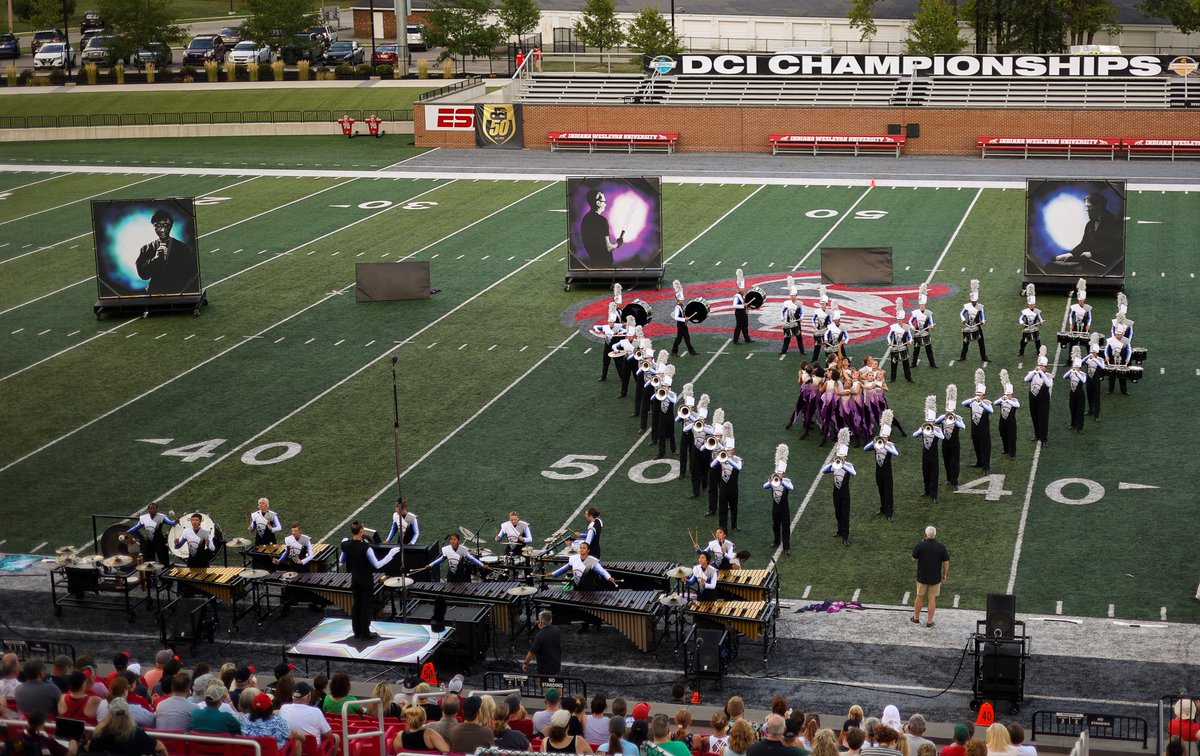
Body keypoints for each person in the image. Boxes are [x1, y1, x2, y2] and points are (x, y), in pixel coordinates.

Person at [339, 519, 399, 639]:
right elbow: (377, 565)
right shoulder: (366, 547)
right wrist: (390, 555)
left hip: (354, 579)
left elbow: (342, 560)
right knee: (366, 606)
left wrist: (345, 545)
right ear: (361, 531)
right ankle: (365, 632)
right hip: (365, 580)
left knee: (357, 605)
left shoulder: (345, 545)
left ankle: (356, 631)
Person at [1053, 191, 1123, 273]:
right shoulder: (1090, 224)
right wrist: (1071, 254)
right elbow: (1084, 244)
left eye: (1088, 206)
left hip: (1109, 269)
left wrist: (1093, 254)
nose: (1086, 210)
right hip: (1089, 268)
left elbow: (1116, 248)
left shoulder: (1116, 222)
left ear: (1099, 206)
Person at [136, 209, 197, 294]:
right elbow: (143, 275)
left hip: (176, 293)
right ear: (153, 227)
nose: (162, 230)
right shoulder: (146, 248)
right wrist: (155, 259)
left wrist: (181, 291)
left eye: (166, 225)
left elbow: (191, 273)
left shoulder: (181, 248)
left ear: (171, 226)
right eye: (158, 226)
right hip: (154, 294)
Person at [89, 698, 168, 756]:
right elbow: (160, 746)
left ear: (109, 713)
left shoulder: (99, 733)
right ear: (128, 714)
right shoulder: (136, 733)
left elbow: (91, 750)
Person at [820, 429, 856, 547]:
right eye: (839, 456)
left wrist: (844, 464)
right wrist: (832, 463)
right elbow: (823, 471)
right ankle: (840, 530)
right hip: (836, 493)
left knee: (845, 515)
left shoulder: (848, 466)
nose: (840, 458)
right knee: (837, 513)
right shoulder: (834, 466)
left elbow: (853, 473)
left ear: (845, 457)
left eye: (842, 457)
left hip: (845, 495)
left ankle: (845, 536)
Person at [911, 526, 950, 628]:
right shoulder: (941, 547)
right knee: (932, 598)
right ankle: (929, 622)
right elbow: (946, 562)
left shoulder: (921, 545)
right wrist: (944, 574)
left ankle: (916, 618)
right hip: (935, 578)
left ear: (925, 534)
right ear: (935, 534)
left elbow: (913, 557)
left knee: (919, 597)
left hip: (922, 576)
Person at [865, 410, 899, 523]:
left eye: (885, 437)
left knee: (888, 492)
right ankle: (883, 509)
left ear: (888, 437)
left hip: (887, 473)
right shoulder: (876, 444)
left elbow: (896, 454)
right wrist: (875, 441)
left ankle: (889, 513)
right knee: (881, 490)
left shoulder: (891, 445)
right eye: (882, 437)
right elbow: (866, 448)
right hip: (878, 472)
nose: (882, 439)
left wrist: (886, 444)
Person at [578, 190, 623, 269]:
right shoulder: (602, 221)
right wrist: (618, 244)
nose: (605, 204)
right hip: (605, 265)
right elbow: (608, 248)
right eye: (604, 201)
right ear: (598, 203)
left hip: (594, 263)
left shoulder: (585, 219)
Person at [711, 425, 744, 532]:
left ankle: (734, 525)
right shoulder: (721, 457)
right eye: (726, 450)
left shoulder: (738, 460)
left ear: (733, 451)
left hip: (733, 488)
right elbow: (712, 465)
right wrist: (720, 457)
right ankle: (723, 526)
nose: (728, 452)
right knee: (723, 508)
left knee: (734, 507)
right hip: (724, 488)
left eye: (729, 450)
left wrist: (728, 459)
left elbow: (738, 467)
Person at [764, 444, 794, 554]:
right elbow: (764, 486)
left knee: (785, 527)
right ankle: (776, 541)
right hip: (775, 507)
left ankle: (786, 547)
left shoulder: (787, 481)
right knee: (775, 525)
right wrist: (771, 480)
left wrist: (781, 481)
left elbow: (791, 487)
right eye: (777, 473)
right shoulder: (772, 480)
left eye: (780, 473)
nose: (778, 475)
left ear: (783, 473)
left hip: (784, 508)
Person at [962, 370, 993, 473]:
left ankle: (986, 467)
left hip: (984, 430)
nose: (978, 396)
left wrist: (981, 403)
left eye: (980, 395)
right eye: (977, 394)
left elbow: (991, 411)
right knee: (976, 445)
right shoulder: (972, 403)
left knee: (985, 447)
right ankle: (979, 462)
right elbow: (963, 403)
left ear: (984, 395)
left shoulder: (987, 403)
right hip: (974, 429)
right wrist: (973, 399)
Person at [937, 384, 965, 491]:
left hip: (954, 444)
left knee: (954, 462)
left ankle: (955, 481)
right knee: (947, 461)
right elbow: (935, 422)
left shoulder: (958, 418)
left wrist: (956, 419)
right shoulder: (943, 417)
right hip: (945, 443)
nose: (950, 413)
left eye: (951, 411)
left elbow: (963, 426)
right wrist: (943, 417)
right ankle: (949, 478)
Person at [1024, 347, 1053, 446]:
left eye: (1042, 366)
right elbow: (1026, 379)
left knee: (1043, 418)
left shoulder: (1048, 376)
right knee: (1034, 416)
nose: (1040, 367)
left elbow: (1049, 384)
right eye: (1039, 365)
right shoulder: (1033, 374)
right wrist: (1034, 371)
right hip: (1033, 398)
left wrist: (1041, 373)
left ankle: (1044, 439)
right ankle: (1037, 435)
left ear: (1046, 367)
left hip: (1043, 400)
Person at [522, 610, 562, 675]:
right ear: (550, 620)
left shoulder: (540, 635)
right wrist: (541, 624)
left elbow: (532, 652)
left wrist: (525, 663)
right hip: (556, 666)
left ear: (541, 622)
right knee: (556, 683)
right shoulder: (556, 629)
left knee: (544, 684)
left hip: (545, 670)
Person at [958, 280, 989, 363]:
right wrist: (963, 320)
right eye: (973, 301)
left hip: (977, 326)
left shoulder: (980, 307)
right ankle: (962, 356)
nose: (974, 302)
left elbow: (983, 315)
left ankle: (984, 357)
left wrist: (982, 321)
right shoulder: (967, 306)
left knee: (981, 342)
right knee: (966, 341)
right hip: (968, 325)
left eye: (975, 301)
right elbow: (961, 313)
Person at [908, 284, 937, 369]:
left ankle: (932, 363)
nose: (922, 306)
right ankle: (913, 363)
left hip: (926, 332)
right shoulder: (915, 313)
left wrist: (931, 325)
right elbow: (910, 321)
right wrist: (912, 327)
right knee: (916, 349)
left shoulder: (928, 312)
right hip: (917, 332)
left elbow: (931, 321)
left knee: (928, 349)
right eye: (921, 305)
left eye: (923, 305)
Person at [994, 370, 1020, 461]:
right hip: (1002, 420)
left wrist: (1008, 400)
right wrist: (1002, 398)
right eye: (1006, 394)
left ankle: (1012, 453)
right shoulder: (1003, 399)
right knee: (1003, 434)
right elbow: (995, 403)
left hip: (1011, 422)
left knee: (1012, 437)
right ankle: (1006, 449)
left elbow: (1017, 405)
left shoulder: (1014, 400)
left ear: (1012, 395)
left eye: (1009, 394)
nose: (1007, 396)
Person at [1062, 346, 1088, 433]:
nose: (1076, 368)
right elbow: (1064, 376)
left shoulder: (1082, 374)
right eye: (1075, 367)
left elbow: (1083, 380)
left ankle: (1080, 428)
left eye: (1077, 367)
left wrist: (1077, 372)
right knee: (1072, 409)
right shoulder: (1072, 373)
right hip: (1072, 393)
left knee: (1080, 411)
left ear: (1080, 368)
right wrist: (1071, 370)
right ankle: (1073, 424)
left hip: (1080, 394)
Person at [886, 299, 913, 383]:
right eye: (898, 320)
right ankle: (892, 378)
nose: (899, 321)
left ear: (903, 319)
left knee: (906, 363)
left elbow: (910, 336)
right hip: (895, 347)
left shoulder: (906, 327)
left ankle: (908, 377)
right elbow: (889, 336)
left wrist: (910, 341)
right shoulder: (893, 327)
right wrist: (890, 342)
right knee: (894, 363)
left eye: (900, 319)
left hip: (904, 347)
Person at [671, 280, 699, 356]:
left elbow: (684, 312)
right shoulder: (677, 307)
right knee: (679, 339)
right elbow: (676, 317)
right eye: (681, 299)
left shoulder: (682, 305)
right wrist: (684, 319)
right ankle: (674, 351)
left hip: (684, 324)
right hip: (680, 324)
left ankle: (691, 351)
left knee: (687, 338)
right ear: (678, 299)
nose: (683, 299)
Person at [1105, 324, 1132, 396]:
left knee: (1122, 376)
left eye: (1119, 335)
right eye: (1117, 334)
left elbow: (1129, 350)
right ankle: (1110, 390)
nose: (1118, 336)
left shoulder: (1126, 341)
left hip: (1122, 359)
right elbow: (1106, 349)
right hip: (1112, 359)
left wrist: (1128, 358)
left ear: (1122, 334)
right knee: (1111, 376)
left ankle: (1124, 390)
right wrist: (1106, 356)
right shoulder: (1110, 340)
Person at [780, 277, 803, 355]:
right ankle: (783, 350)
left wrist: (801, 317)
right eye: (791, 295)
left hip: (797, 321)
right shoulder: (786, 303)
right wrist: (782, 317)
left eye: (793, 295)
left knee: (799, 336)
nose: (792, 297)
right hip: (789, 321)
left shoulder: (799, 303)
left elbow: (802, 312)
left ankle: (802, 351)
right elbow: (782, 311)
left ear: (796, 295)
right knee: (787, 337)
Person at [1017, 285, 1042, 358]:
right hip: (1027, 328)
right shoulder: (1025, 311)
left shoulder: (1037, 311)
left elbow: (1040, 318)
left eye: (1033, 305)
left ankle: (1038, 352)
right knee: (1023, 341)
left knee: (1037, 341)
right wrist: (1022, 322)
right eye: (1030, 305)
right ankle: (1021, 352)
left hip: (1035, 327)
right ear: (1028, 304)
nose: (1032, 306)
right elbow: (1020, 318)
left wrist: (1041, 322)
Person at [810, 287, 832, 363]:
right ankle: (814, 358)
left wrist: (829, 328)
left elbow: (831, 321)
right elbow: (813, 319)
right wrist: (814, 325)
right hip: (819, 329)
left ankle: (829, 359)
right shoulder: (817, 311)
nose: (823, 305)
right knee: (817, 345)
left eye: (824, 304)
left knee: (828, 345)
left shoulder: (829, 312)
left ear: (826, 304)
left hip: (826, 330)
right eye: (821, 304)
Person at [732, 269, 752, 344]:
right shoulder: (737, 296)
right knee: (739, 326)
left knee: (745, 326)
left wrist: (747, 306)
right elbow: (734, 305)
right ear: (738, 288)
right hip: (739, 312)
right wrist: (743, 305)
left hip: (743, 312)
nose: (743, 289)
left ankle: (747, 338)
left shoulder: (742, 294)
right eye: (741, 288)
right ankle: (735, 340)